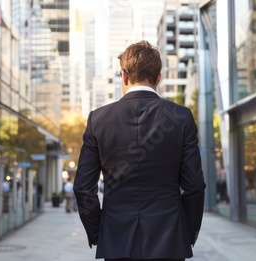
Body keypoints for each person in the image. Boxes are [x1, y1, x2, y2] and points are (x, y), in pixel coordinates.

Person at [73, 40, 206, 261]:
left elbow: (83, 188)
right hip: (169, 239)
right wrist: (186, 232)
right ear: (159, 77)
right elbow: (194, 186)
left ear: (124, 76)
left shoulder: (98, 119)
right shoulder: (181, 117)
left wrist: (100, 232)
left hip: (117, 238)